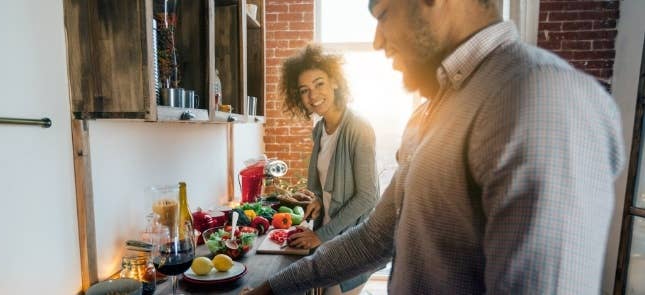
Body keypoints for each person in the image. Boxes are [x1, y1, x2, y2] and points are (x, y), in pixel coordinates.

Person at [245, 0, 626, 294]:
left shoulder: (538, 96)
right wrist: (272, 288)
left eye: (385, 13)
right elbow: (377, 237)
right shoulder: (433, 111)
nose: (378, 40)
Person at [275, 44, 380, 295]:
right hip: (330, 235)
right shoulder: (320, 129)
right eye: (304, 90)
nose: (313, 95)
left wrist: (321, 235)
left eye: (319, 84)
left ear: (334, 82)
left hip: (354, 242)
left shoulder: (359, 128)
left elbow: (368, 196)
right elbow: (326, 185)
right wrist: (319, 201)